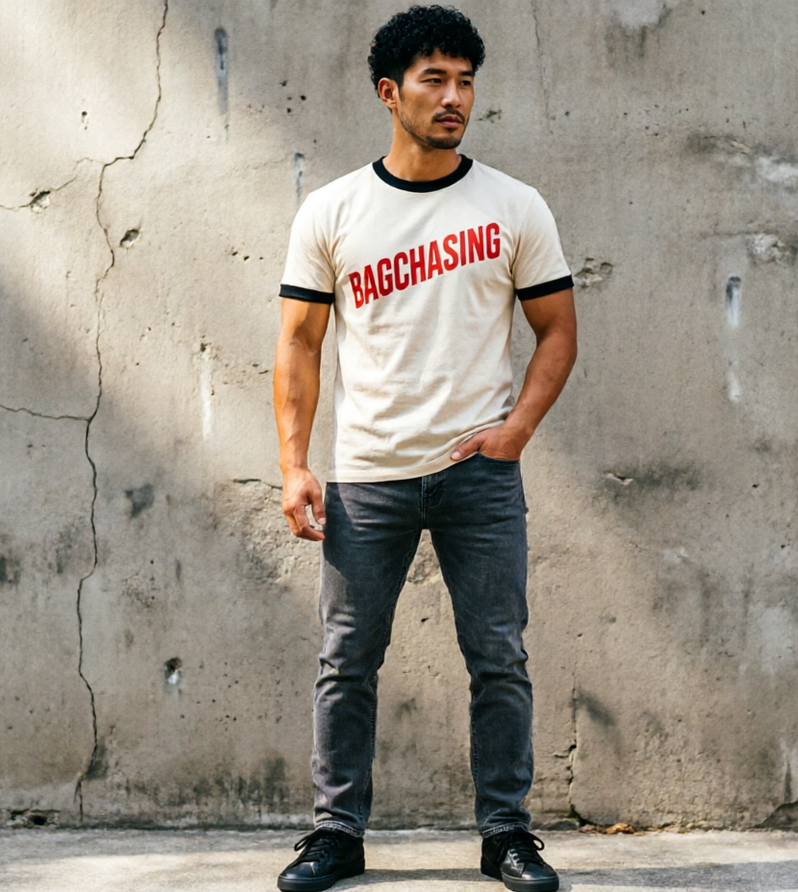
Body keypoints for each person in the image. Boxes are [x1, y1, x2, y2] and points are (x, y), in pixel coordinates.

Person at [271, 6, 577, 891]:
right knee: (346, 662)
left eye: (466, 81)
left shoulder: (513, 205)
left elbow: (557, 331)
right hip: (367, 474)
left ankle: (506, 834)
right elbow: (298, 342)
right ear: (389, 92)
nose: (454, 98)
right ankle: (336, 834)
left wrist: (515, 432)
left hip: (478, 476)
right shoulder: (334, 210)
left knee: (499, 659)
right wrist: (294, 463)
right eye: (434, 79)